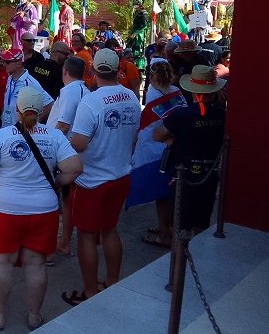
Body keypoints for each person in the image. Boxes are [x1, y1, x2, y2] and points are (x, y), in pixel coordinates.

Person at [0, 87, 82, 331]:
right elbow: (75, 167)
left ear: (17, 109)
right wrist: (57, 181)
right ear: (42, 112)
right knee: (36, 264)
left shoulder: (2, 136)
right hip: (43, 210)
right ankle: (34, 316)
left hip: (3, 209)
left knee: (1, 262)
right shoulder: (55, 137)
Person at [62, 48, 140, 306]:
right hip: (120, 174)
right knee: (109, 230)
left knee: (85, 234)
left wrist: (65, 140)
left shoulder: (91, 102)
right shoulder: (130, 96)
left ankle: (90, 291)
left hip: (92, 181)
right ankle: (113, 282)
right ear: (119, 70)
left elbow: (80, 143)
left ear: (92, 71)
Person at [154, 65, 226, 236]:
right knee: (202, 223)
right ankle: (198, 255)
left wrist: (172, 137)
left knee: (180, 227)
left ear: (193, 90)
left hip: (185, 174)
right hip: (210, 174)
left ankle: (179, 260)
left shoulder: (182, 115)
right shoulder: (222, 114)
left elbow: (157, 135)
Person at [131, 59, 186, 248]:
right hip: (175, 146)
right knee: (168, 194)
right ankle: (168, 228)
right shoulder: (177, 92)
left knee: (160, 196)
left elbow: (151, 128)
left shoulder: (153, 94)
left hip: (157, 150)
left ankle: (165, 235)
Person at [46, 55, 90, 257]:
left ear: (65, 71)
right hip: (71, 152)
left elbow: (62, 125)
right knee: (65, 201)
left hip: (62, 154)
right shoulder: (83, 90)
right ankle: (63, 241)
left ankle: (60, 242)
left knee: (59, 201)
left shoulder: (72, 92)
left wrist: (45, 147)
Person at [0, 49, 53, 129]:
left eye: (7, 62)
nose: (4, 64)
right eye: (3, 61)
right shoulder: (9, 79)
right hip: (6, 127)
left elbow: (49, 104)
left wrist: (33, 122)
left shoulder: (30, 82)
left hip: (20, 132)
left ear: (18, 63)